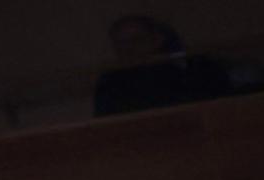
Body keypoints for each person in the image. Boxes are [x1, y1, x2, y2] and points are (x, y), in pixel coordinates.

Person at [87, 15, 235, 117]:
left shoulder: (197, 68)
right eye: (122, 43)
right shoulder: (111, 83)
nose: (129, 48)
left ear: (157, 39)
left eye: (137, 39)